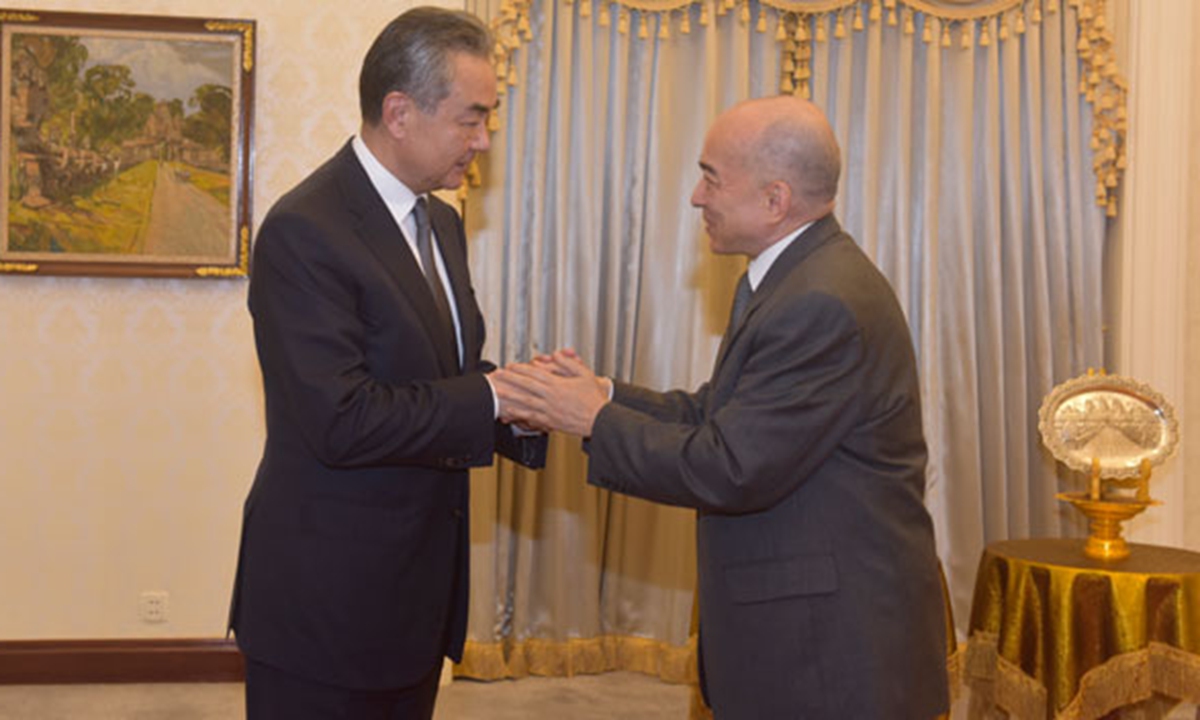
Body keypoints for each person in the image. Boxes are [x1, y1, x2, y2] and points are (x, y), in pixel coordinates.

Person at [495, 96, 949, 718]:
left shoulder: (820, 302)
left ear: (775, 199)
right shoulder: (796, 277)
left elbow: (731, 466)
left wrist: (591, 419)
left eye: (711, 178)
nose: (695, 198)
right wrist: (603, 394)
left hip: (829, 646)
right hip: (809, 628)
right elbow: (720, 413)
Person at [228, 8, 545, 719]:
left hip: (414, 596)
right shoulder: (305, 229)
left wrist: (523, 401)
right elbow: (341, 419)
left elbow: (437, 379)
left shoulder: (442, 222)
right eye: (471, 119)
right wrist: (492, 397)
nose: (484, 140)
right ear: (399, 113)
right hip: (326, 604)